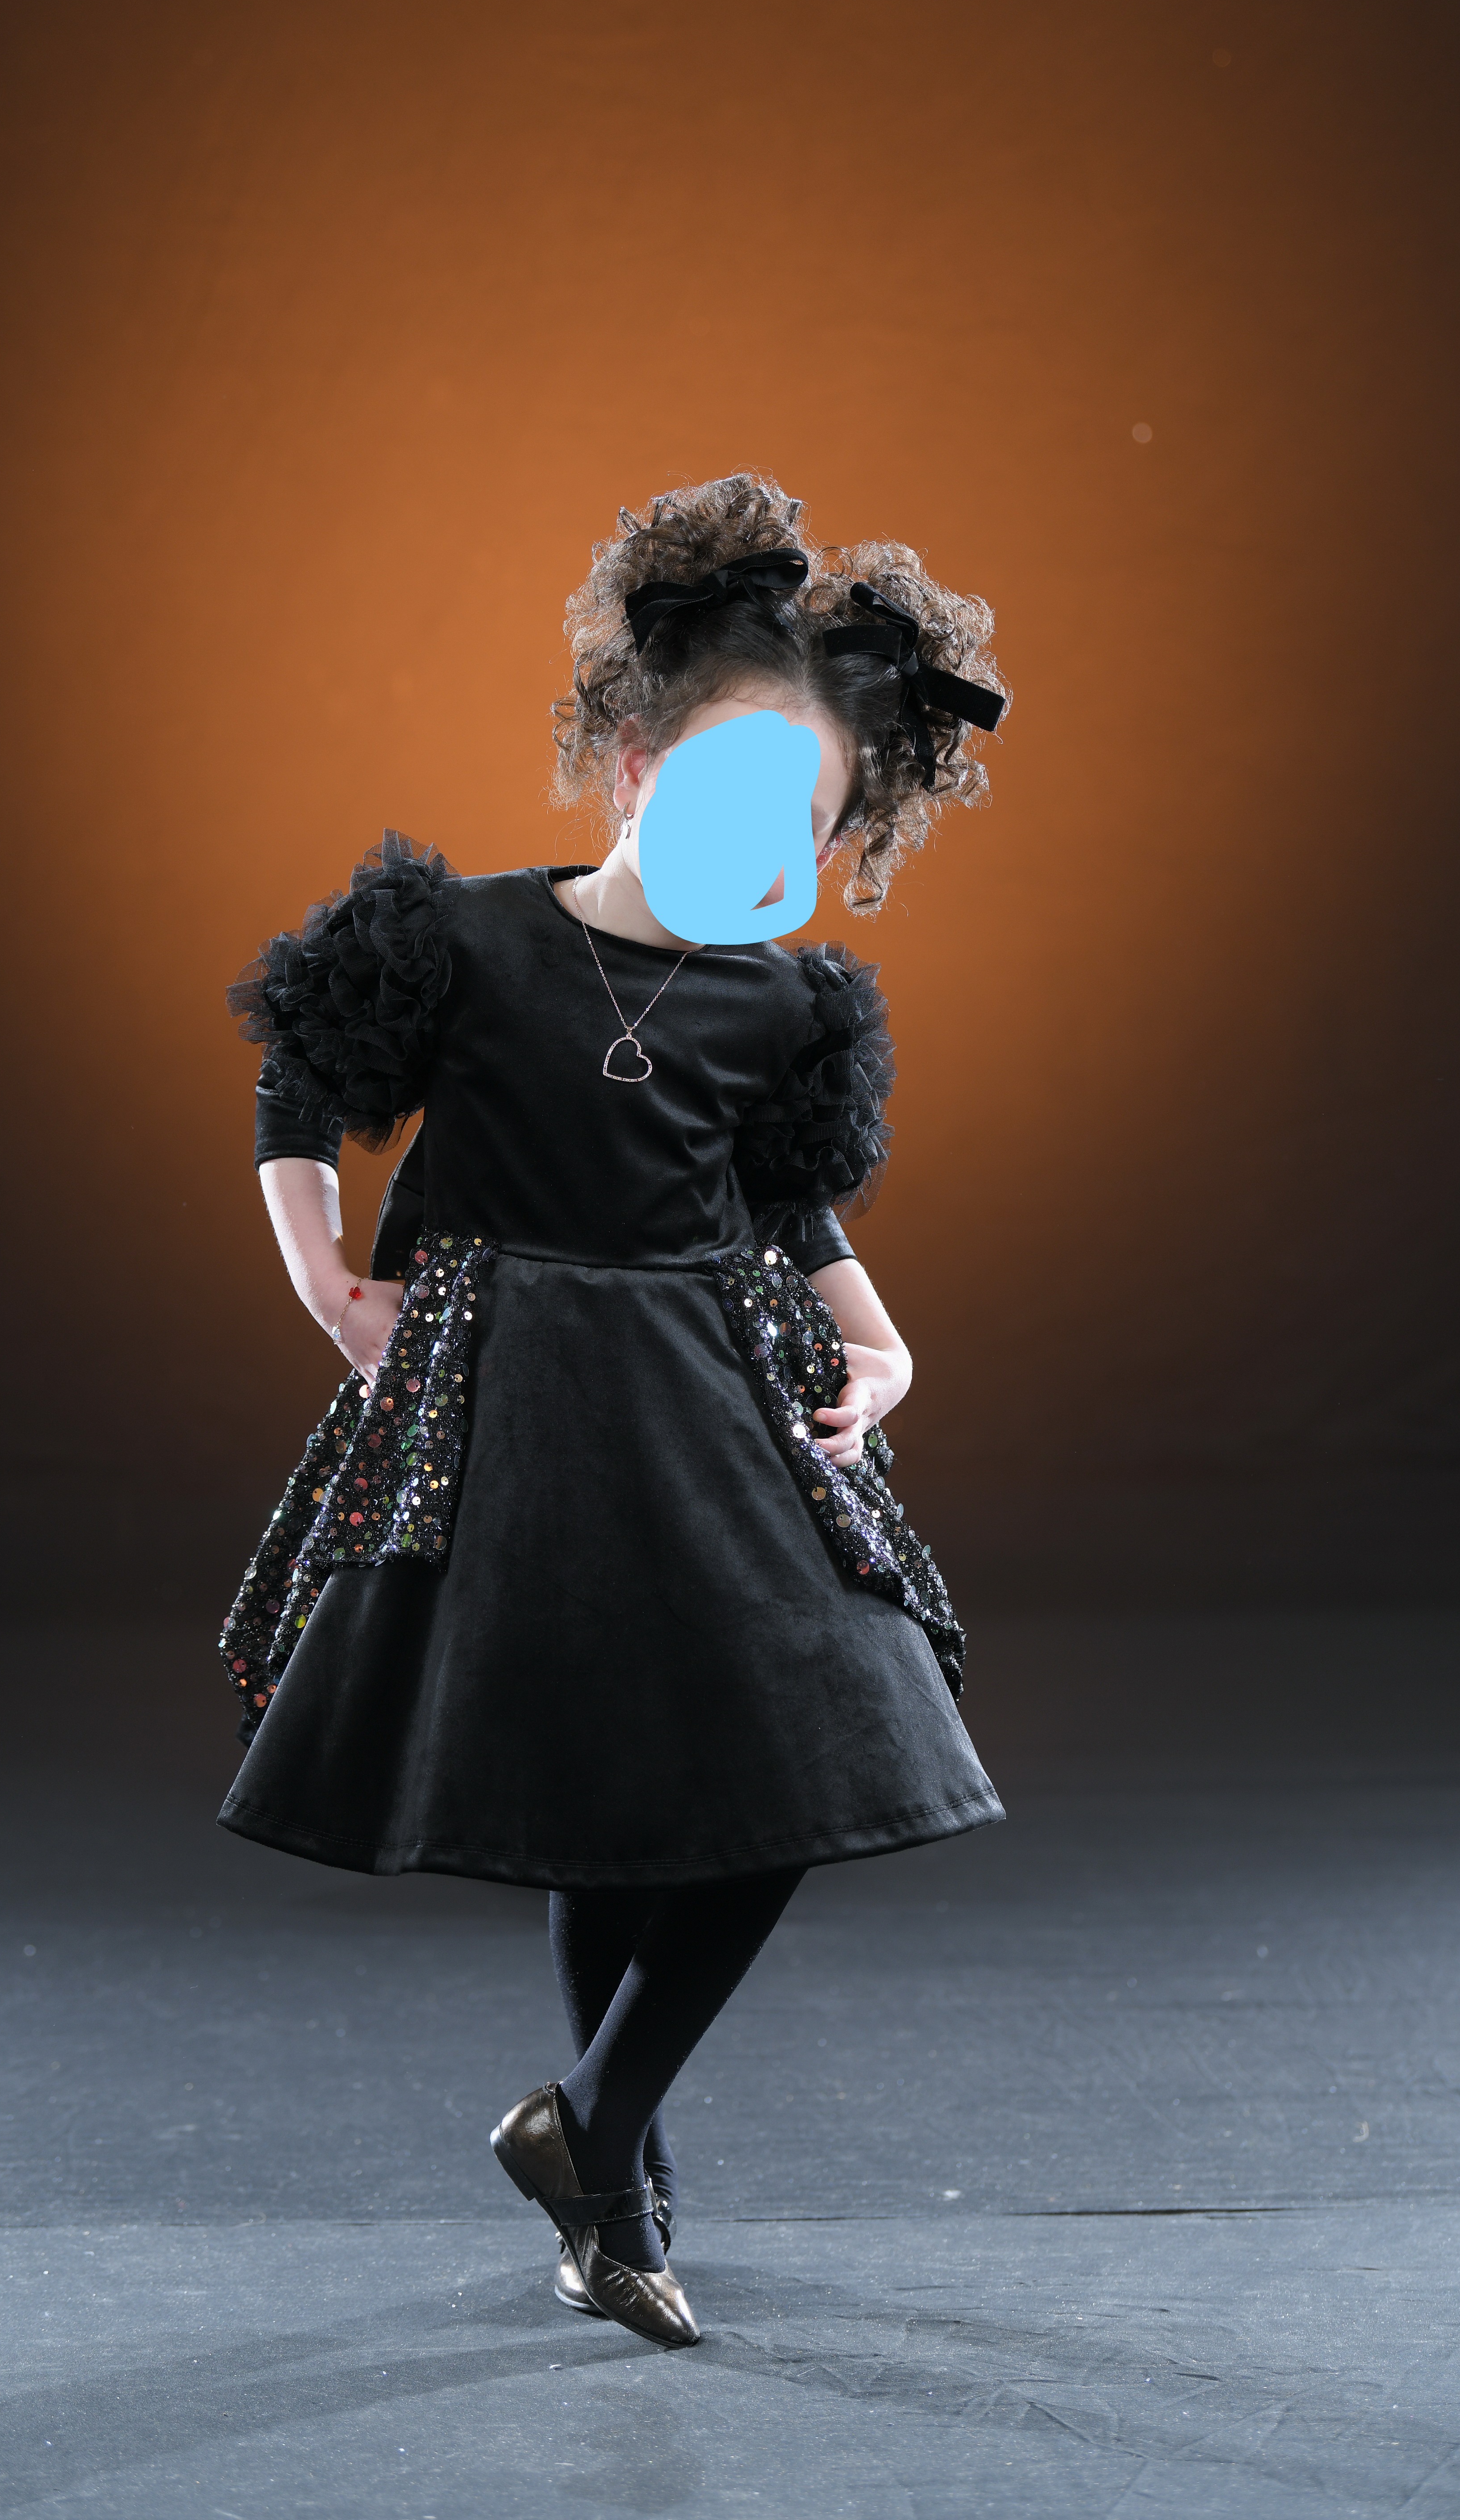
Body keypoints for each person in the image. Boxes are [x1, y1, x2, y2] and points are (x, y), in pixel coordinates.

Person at [218, 472, 1009, 2349]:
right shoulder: (470, 939)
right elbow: (297, 1083)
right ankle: (615, 2202)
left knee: (816, 1745)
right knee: (600, 1798)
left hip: (709, 1402)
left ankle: (594, 2122)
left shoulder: (780, 1007)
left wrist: (881, 1348)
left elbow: (784, 1204)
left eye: (799, 821)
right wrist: (328, 1282)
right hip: (518, 1411)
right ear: (637, 759)